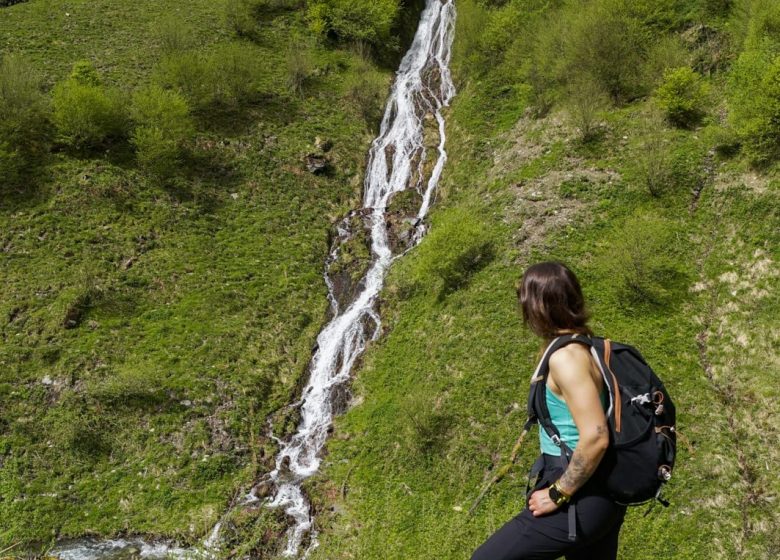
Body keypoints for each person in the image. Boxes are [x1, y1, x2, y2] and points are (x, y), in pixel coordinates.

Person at [470, 261, 627, 560]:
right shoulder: (585, 347)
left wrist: (559, 492)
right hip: (600, 490)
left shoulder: (567, 358)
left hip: (581, 493)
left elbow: (596, 436)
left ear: (538, 307)